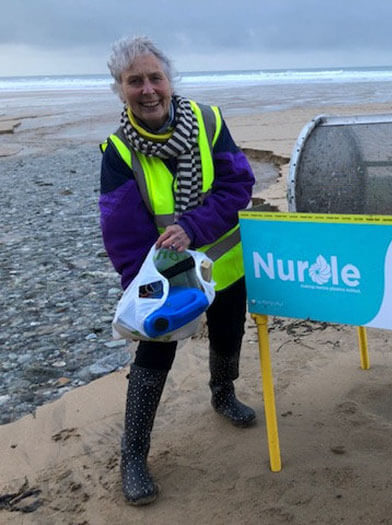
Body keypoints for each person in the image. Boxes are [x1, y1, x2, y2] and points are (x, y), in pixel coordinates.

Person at [99, 35, 256, 506]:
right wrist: (143, 290)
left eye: (154, 77)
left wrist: (192, 225)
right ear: (119, 88)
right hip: (165, 278)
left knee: (229, 334)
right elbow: (121, 232)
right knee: (152, 359)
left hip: (224, 265)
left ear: (170, 81)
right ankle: (133, 455)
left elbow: (238, 185)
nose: (147, 89)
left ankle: (222, 393)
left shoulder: (208, 122)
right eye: (134, 81)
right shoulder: (119, 151)